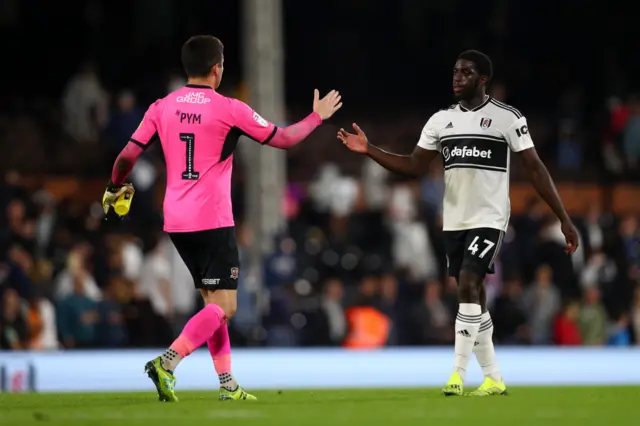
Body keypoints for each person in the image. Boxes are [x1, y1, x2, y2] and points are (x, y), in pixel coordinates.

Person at [102, 35, 342, 402]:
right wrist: (316, 117)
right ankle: (167, 363)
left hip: (177, 221)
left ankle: (227, 384)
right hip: (212, 219)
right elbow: (285, 138)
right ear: (217, 69)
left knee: (213, 304)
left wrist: (115, 187)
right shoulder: (230, 108)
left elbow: (126, 156)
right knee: (226, 306)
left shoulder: (161, 107)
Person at [338, 50, 578, 396]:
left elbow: (536, 168)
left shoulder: (507, 118)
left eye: (465, 73)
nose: (457, 77)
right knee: (473, 297)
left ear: (483, 80)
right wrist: (370, 150)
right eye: (454, 72)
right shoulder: (440, 121)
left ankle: (457, 375)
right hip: (454, 221)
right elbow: (414, 166)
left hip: (490, 218)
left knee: (467, 282)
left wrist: (563, 218)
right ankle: (494, 378)